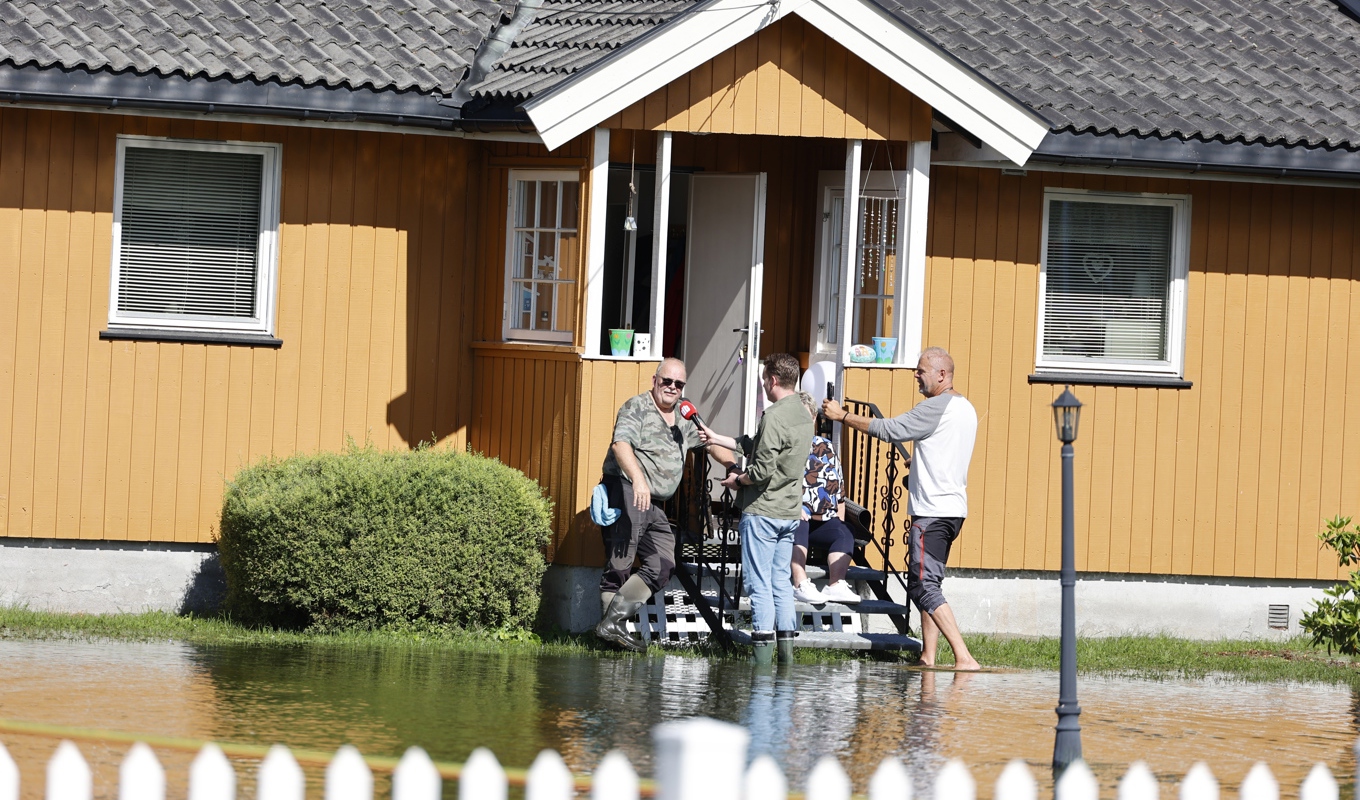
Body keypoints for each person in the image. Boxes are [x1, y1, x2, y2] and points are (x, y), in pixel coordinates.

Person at [822, 346, 981, 671]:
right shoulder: (965, 409)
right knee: (930, 584)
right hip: (953, 510)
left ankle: (964, 658)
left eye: (921, 370)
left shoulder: (935, 406)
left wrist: (842, 417)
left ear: (942, 374)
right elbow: (943, 449)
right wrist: (920, 461)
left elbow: (890, 429)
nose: (915, 375)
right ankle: (928, 656)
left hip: (932, 513)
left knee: (922, 586)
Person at [697, 353, 814, 665]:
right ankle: (786, 661)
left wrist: (738, 480)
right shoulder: (804, 416)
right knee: (780, 584)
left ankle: (761, 664)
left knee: (759, 584)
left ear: (772, 381)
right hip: (789, 513)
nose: (764, 385)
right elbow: (755, 443)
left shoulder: (773, 416)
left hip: (763, 512)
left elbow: (761, 469)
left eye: (764, 380)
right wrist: (716, 436)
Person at [594, 357, 704, 653]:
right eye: (666, 381)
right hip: (628, 489)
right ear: (655, 380)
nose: (671, 387)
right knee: (620, 564)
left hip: (655, 502)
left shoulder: (683, 416)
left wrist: (734, 467)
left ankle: (611, 626)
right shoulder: (637, 407)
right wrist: (638, 479)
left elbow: (709, 441)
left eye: (677, 384)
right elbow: (621, 445)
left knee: (662, 564)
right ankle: (612, 640)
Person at [791, 391, 858, 606]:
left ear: (814, 419)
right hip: (794, 518)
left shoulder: (826, 446)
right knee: (798, 521)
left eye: (808, 417)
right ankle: (800, 583)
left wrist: (838, 519)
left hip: (823, 522)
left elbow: (838, 490)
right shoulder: (786, 446)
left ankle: (836, 585)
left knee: (844, 532)